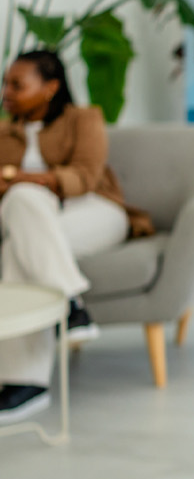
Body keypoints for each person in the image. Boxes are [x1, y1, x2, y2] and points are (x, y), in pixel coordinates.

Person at [0, 50, 152, 423]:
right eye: (6, 83)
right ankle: (70, 304)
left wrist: (21, 179)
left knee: (20, 214)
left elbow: (84, 176)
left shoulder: (84, 120)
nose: (7, 92)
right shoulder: (4, 132)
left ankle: (25, 383)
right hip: (32, 222)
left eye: (17, 84)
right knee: (21, 215)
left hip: (94, 213)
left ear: (51, 87)